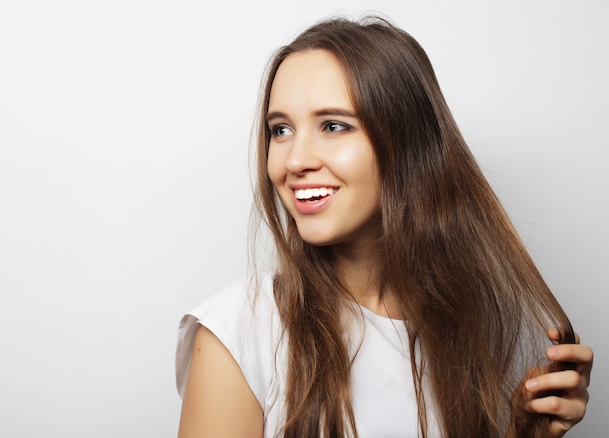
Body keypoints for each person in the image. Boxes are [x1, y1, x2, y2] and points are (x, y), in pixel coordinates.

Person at [176, 16, 593, 438]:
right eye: (280, 130)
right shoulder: (240, 332)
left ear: (407, 143)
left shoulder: (465, 324)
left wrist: (525, 434)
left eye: (333, 126)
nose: (295, 160)